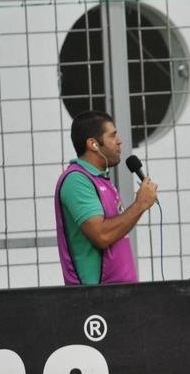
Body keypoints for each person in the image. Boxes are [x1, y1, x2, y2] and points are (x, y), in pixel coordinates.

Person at [54, 110, 157, 285]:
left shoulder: (100, 178)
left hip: (117, 293)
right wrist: (140, 205)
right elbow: (101, 235)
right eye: (112, 136)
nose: (120, 141)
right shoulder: (77, 180)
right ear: (93, 144)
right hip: (95, 297)